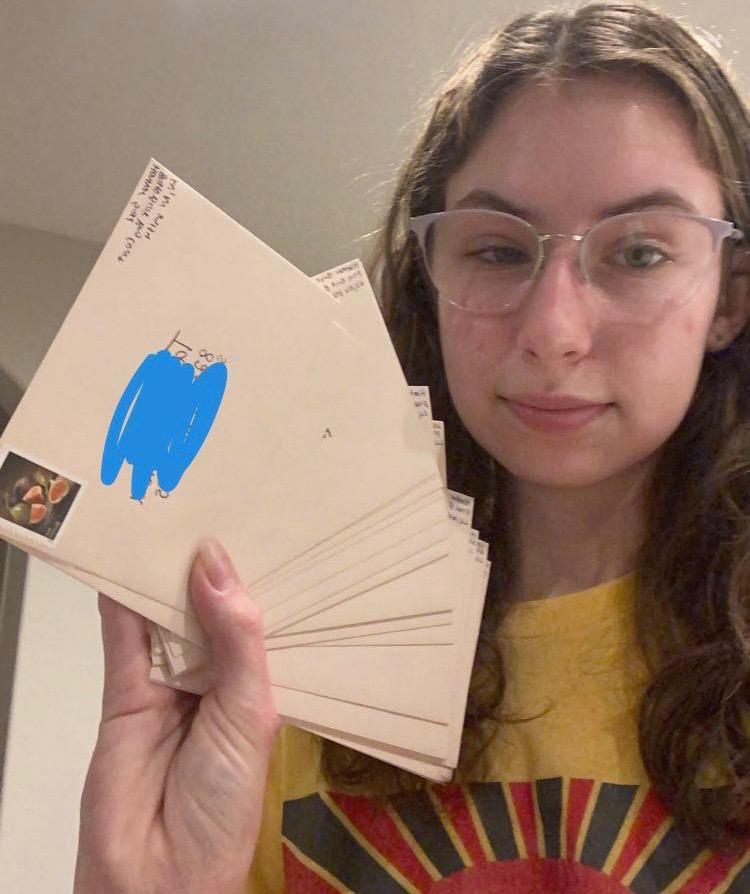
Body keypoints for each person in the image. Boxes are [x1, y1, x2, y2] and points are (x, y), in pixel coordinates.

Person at [73, 2, 750, 891]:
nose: (554, 332)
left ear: (730, 299)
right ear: (430, 281)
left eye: (640, 255)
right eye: (498, 251)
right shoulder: (274, 660)